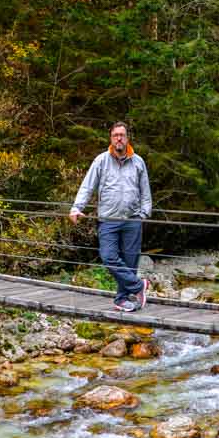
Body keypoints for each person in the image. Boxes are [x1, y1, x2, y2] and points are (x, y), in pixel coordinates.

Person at [69, 122, 152, 312]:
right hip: (108, 220)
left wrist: (144, 213)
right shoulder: (101, 160)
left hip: (132, 219)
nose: (119, 139)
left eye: (122, 135)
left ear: (127, 138)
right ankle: (140, 286)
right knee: (108, 256)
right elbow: (87, 186)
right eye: (115, 135)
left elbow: (145, 191)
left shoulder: (138, 162)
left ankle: (122, 299)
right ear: (111, 138)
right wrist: (76, 207)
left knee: (130, 262)